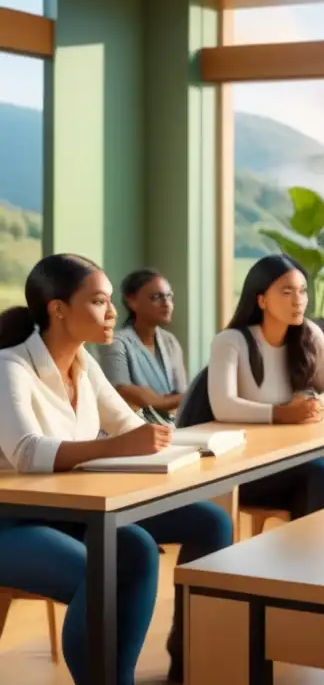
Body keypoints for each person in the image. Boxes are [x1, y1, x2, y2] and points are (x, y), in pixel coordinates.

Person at [0, 254, 232, 685]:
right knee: (100, 569)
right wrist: (123, 443)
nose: (111, 313)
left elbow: (132, 427)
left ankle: (146, 672)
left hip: (73, 512)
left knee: (144, 547)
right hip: (12, 520)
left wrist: (202, 444)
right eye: (99, 302)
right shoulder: (9, 366)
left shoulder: (84, 367)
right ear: (58, 309)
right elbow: (28, 453)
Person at [207, 254, 324, 520]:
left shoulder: (310, 334)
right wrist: (282, 413)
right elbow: (222, 406)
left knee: (318, 471)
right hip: (241, 469)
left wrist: (318, 407)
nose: (298, 300)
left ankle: (314, 556)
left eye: (303, 291)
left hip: (287, 462)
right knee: (319, 472)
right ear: (261, 300)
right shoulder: (230, 341)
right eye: (287, 292)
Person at [98, 268, 188, 424]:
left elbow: (180, 396)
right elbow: (122, 395)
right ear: (132, 301)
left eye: (169, 296)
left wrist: (158, 400)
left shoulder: (170, 341)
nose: (166, 303)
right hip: (132, 431)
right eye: (156, 297)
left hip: (173, 427)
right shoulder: (116, 343)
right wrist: (168, 401)